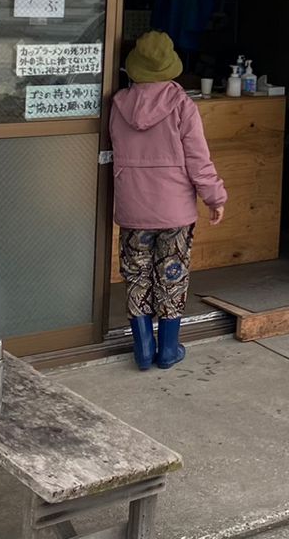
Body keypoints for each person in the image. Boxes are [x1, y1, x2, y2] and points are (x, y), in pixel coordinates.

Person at [110, 30, 227, 370]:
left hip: (133, 208)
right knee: (171, 275)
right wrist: (214, 196)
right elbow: (198, 158)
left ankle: (143, 349)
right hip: (174, 209)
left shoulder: (118, 105)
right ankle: (169, 349)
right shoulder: (182, 105)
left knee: (136, 275)